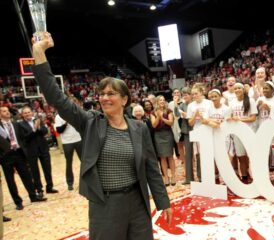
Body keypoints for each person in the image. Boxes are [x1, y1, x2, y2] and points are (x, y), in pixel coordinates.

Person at [31, 32, 171, 240]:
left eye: (110, 94)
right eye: (101, 94)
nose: (104, 98)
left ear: (124, 100)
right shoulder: (89, 122)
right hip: (105, 205)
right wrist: (39, 53)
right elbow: (56, 97)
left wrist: (163, 202)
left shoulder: (139, 128)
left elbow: (151, 168)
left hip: (137, 201)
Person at [0, 106, 47, 210]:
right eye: (4, 111)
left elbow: (23, 138)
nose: (7, 112)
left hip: (19, 153)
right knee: (10, 181)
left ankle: (33, 196)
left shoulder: (16, 124)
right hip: (6, 156)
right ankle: (18, 202)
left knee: (27, 176)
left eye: (7, 111)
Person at [19, 105, 58, 197]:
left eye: (28, 112)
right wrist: (34, 129)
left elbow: (45, 131)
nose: (27, 114)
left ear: (32, 112)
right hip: (31, 151)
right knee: (35, 171)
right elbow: (24, 138)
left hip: (43, 148)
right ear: (22, 115)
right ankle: (39, 189)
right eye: (25, 113)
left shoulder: (37, 120)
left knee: (47, 169)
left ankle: (49, 187)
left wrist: (39, 127)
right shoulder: (20, 125)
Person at [54, 97, 82, 191]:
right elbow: (59, 130)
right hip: (67, 142)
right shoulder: (58, 116)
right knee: (68, 163)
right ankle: (70, 183)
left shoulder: (77, 113)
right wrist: (66, 122)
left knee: (84, 162)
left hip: (79, 140)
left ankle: (86, 181)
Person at [151, 96, 176, 186]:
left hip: (167, 134)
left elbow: (171, 122)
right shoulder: (153, 112)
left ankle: (173, 176)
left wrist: (163, 118)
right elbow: (153, 125)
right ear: (157, 102)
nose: (162, 101)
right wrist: (158, 117)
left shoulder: (168, 110)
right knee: (162, 157)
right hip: (158, 135)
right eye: (160, 100)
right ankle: (166, 177)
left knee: (170, 156)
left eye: (163, 100)